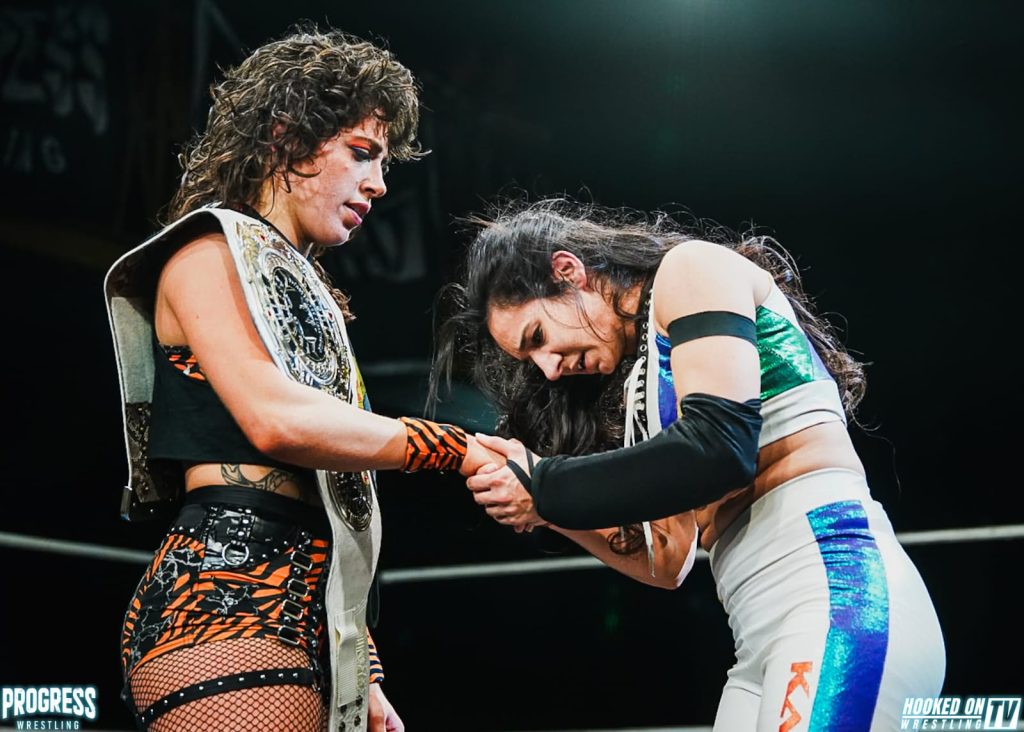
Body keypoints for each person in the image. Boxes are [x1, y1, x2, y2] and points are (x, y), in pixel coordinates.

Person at [105, 26, 496, 732]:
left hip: (311, 612)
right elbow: (275, 422)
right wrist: (453, 447)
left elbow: (327, 495)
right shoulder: (206, 252)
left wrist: (362, 666)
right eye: (362, 153)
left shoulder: (299, 286)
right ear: (288, 140)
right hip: (222, 600)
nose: (378, 183)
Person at [431, 198, 946, 730]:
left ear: (568, 271)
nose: (549, 369)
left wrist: (543, 484)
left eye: (538, 337)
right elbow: (666, 560)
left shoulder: (691, 269)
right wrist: (543, 505)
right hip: (757, 635)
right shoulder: (646, 387)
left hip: (839, 593)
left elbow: (721, 449)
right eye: (530, 360)